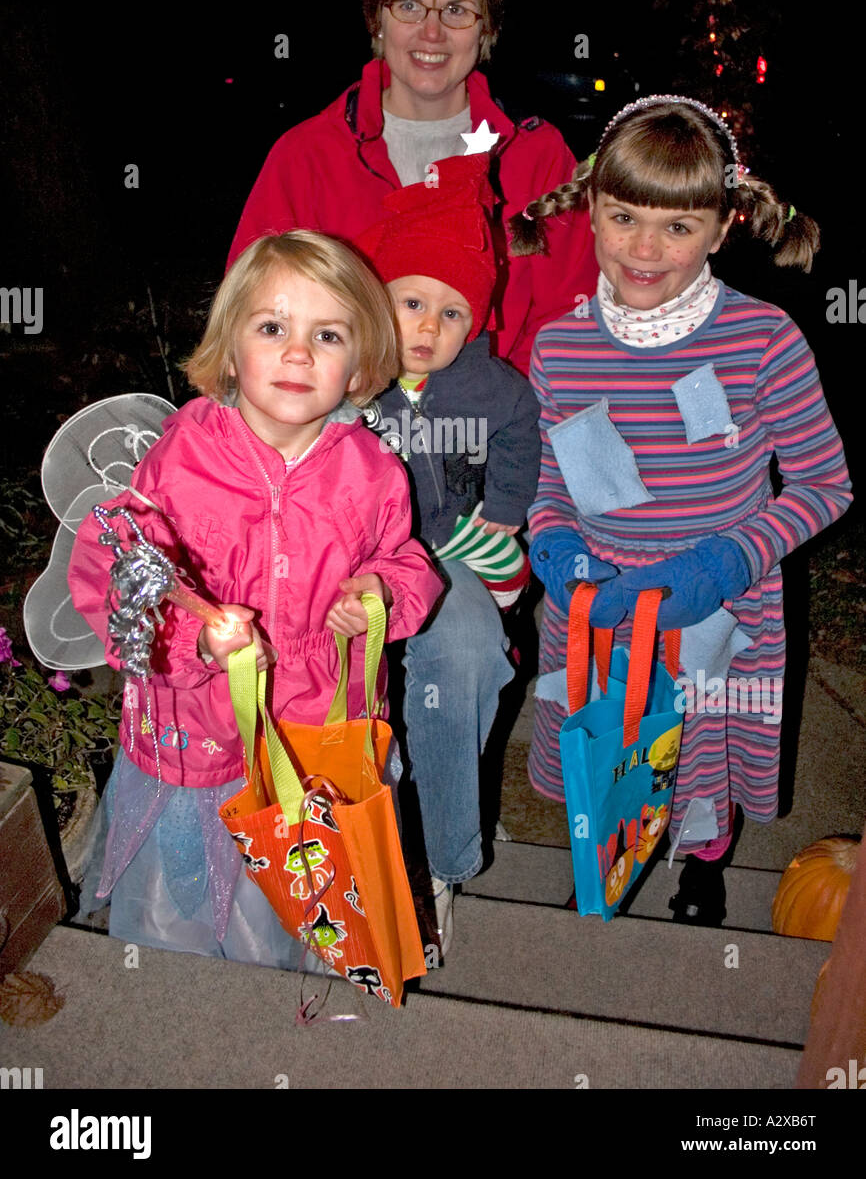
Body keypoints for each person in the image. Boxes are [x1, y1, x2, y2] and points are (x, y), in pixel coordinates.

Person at [519, 95, 852, 925]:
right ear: (589, 209)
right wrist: (553, 541)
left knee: (701, 746)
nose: (645, 247)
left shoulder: (764, 339)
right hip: (598, 607)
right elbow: (549, 480)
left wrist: (724, 562)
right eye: (625, 216)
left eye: (677, 226)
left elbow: (824, 485)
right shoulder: (559, 346)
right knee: (607, 738)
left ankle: (701, 861)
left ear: (722, 226)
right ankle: (609, 855)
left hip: (716, 602)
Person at [68, 232, 444, 966]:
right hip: (195, 729)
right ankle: (182, 985)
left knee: (296, 885)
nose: (298, 353)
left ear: (362, 362)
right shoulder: (180, 456)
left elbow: (406, 563)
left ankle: (275, 988)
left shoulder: (371, 473)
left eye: (326, 335)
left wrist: (377, 595)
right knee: (185, 882)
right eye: (273, 328)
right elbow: (122, 572)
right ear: (230, 348)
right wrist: (194, 639)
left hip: (313, 727)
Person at [227, 0, 596, 375]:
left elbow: (567, 325)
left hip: (495, 435)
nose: (431, 32)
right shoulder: (307, 156)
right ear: (376, 17)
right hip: (337, 431)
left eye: (457, 11)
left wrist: (500, 417)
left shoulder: (536, 157)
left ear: (487, 28)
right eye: (408, 6)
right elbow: (253, 320)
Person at [357, 153, 541, 954]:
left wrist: (504, 513)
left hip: (449, 551)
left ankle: (439, 856)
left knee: (467, 647)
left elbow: (519, 435)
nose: (429, 329)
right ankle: (349, 836)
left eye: (453, 313)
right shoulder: (347, 368)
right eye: (411, 303)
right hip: (351, 552)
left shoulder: (489, 385)